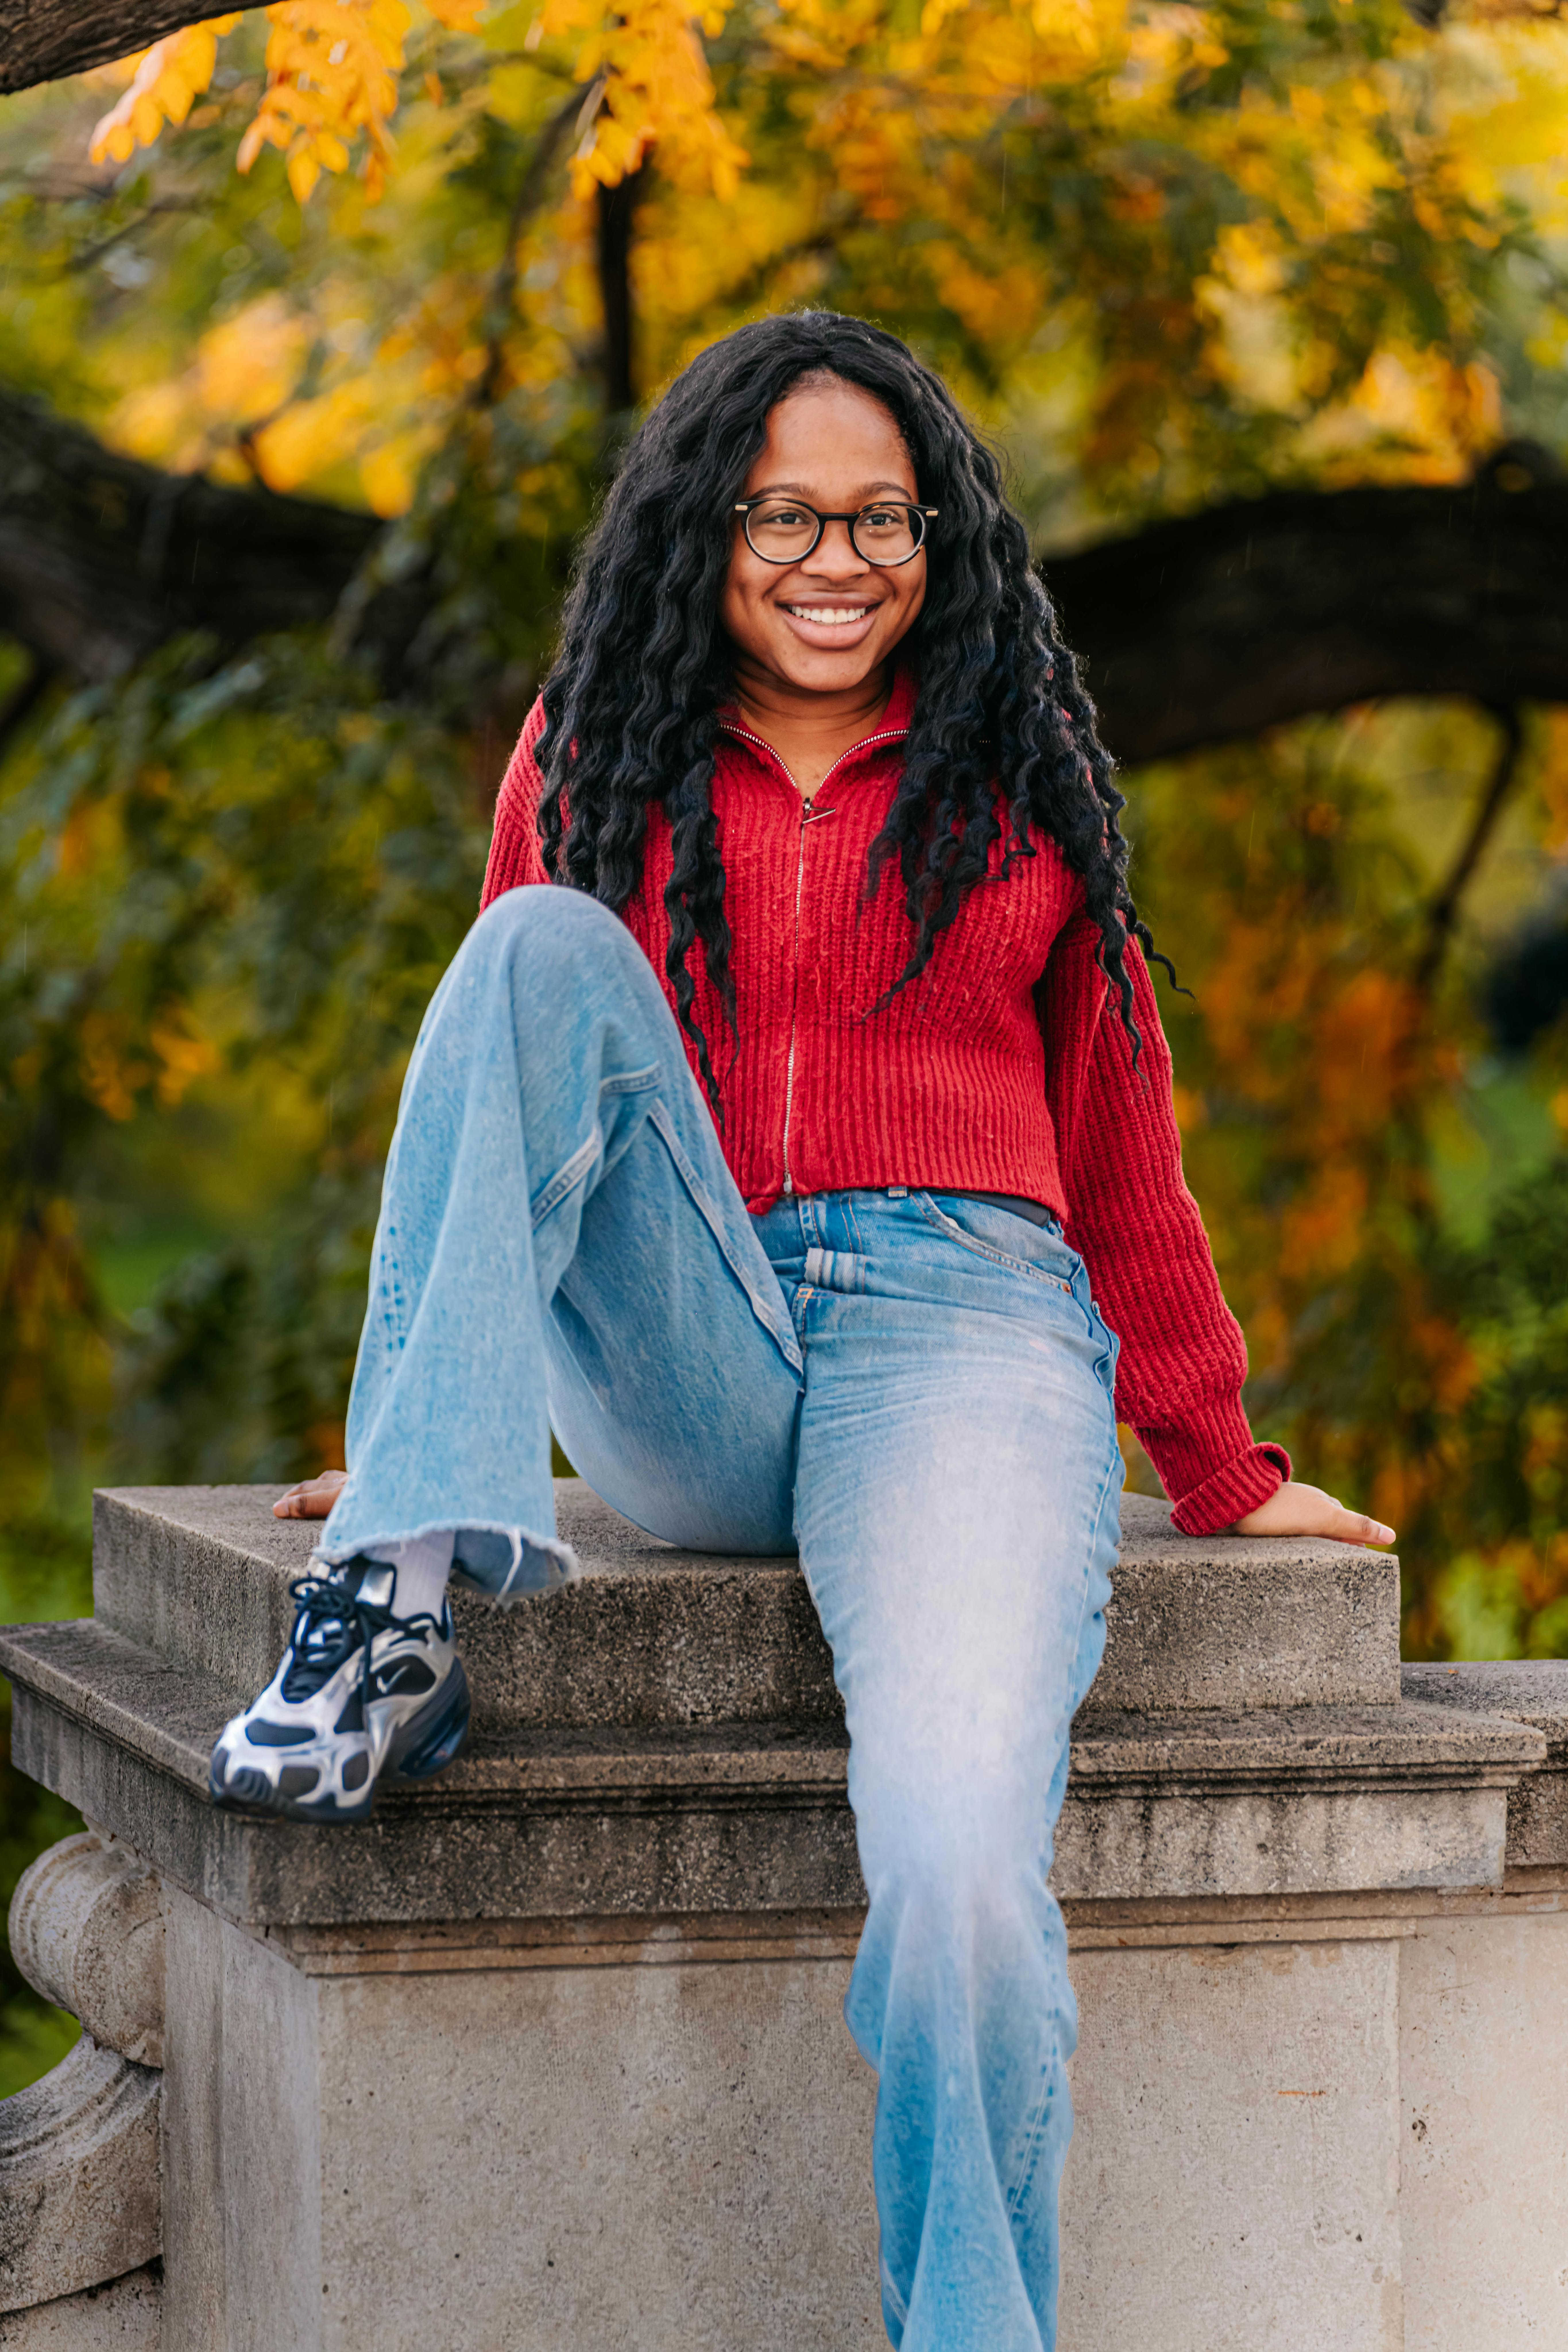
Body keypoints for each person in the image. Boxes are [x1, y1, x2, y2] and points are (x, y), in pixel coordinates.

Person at [209, 310, 1394, 2351]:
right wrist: (415, 1421)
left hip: (966, 1335)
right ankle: (385, 1615)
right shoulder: (590, 743)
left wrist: (1218, 1463)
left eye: (879, 518)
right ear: (704, 526)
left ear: (937, 538)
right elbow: (492, 1094)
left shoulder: (1012, 758)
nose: (836, 559)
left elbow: (1121, 1141)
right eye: (784, 515)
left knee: (954, 1883)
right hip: (693, 1329)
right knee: (529, 948)